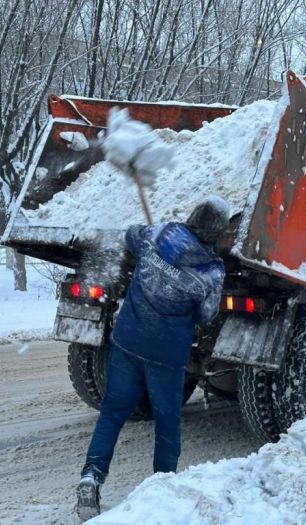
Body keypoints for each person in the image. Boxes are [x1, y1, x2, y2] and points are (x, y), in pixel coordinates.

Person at [75, 195, 230, 520]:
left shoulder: (162, 234)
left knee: (113, 413)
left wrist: (155, 240)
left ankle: (91, 477)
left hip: (128, 343)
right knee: (167, 423)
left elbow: (132, 234)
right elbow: (206, 314)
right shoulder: (211, 270)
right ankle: (161, 491)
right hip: (166, 355)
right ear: (217, 231)